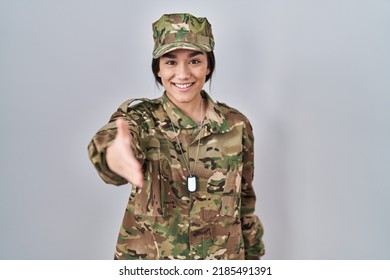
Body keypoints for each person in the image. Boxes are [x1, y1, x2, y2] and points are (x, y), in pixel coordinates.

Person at [88, 13, 265, 260]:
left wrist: (254, 261)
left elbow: (244, 203)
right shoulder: (142, 119)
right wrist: (112, 155)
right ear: (158, 69)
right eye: (170, 62)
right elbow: (110, 139)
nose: (183, 74)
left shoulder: (236, 125)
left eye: (194, 61)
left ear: (208, 66)